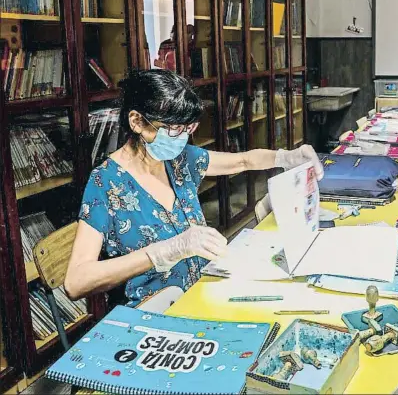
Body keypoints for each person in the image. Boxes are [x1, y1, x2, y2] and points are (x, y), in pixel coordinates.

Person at [65, 69, 324, 307]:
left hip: (203, 292)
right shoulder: (106, 182)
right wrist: (162, 252)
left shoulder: (178, 160)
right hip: (156, 311)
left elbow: (243, 160)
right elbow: (76, 282)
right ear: (137, 122)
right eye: (173, 129)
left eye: (188, 128)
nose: (182, 138)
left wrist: (286, 158)